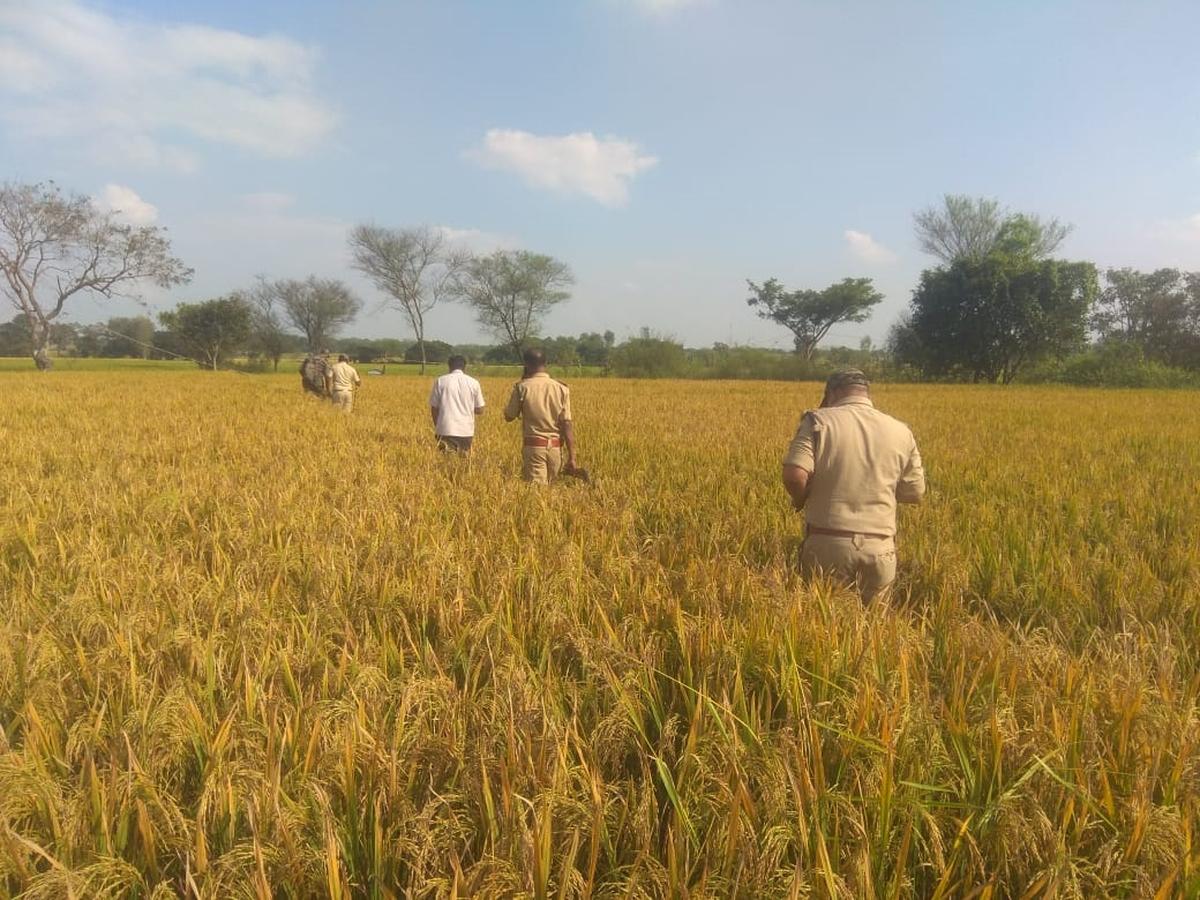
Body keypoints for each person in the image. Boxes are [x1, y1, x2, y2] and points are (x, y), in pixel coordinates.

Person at [782, 369, 925, 603]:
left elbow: (794, 476)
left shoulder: (817, 421)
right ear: (866, 393)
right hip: (881, 548)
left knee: (824, 621)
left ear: (831, 393)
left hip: (828, 543)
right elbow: (915, 492)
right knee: (874, 624)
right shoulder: (901, 430)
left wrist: (799, 499)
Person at [503, 348, 578, 484]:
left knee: (537, 491)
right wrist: (572, 457)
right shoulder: (561, 388)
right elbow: (566, 423)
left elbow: (509, 416)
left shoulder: (522, 387)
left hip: (534, 447)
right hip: (556, 448)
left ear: (526, 364)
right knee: (552, 489)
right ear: (545, 363)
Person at [429, 355, 485, 453]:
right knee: (463, 460)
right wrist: (467, 406)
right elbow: (480, 410)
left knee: (445, 460)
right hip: (466, 431)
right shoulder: (474, 383)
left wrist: (438, 426)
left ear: (449, 366)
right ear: (464, 367)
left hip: (445, 429)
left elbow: (434, 408)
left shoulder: (440, 381)